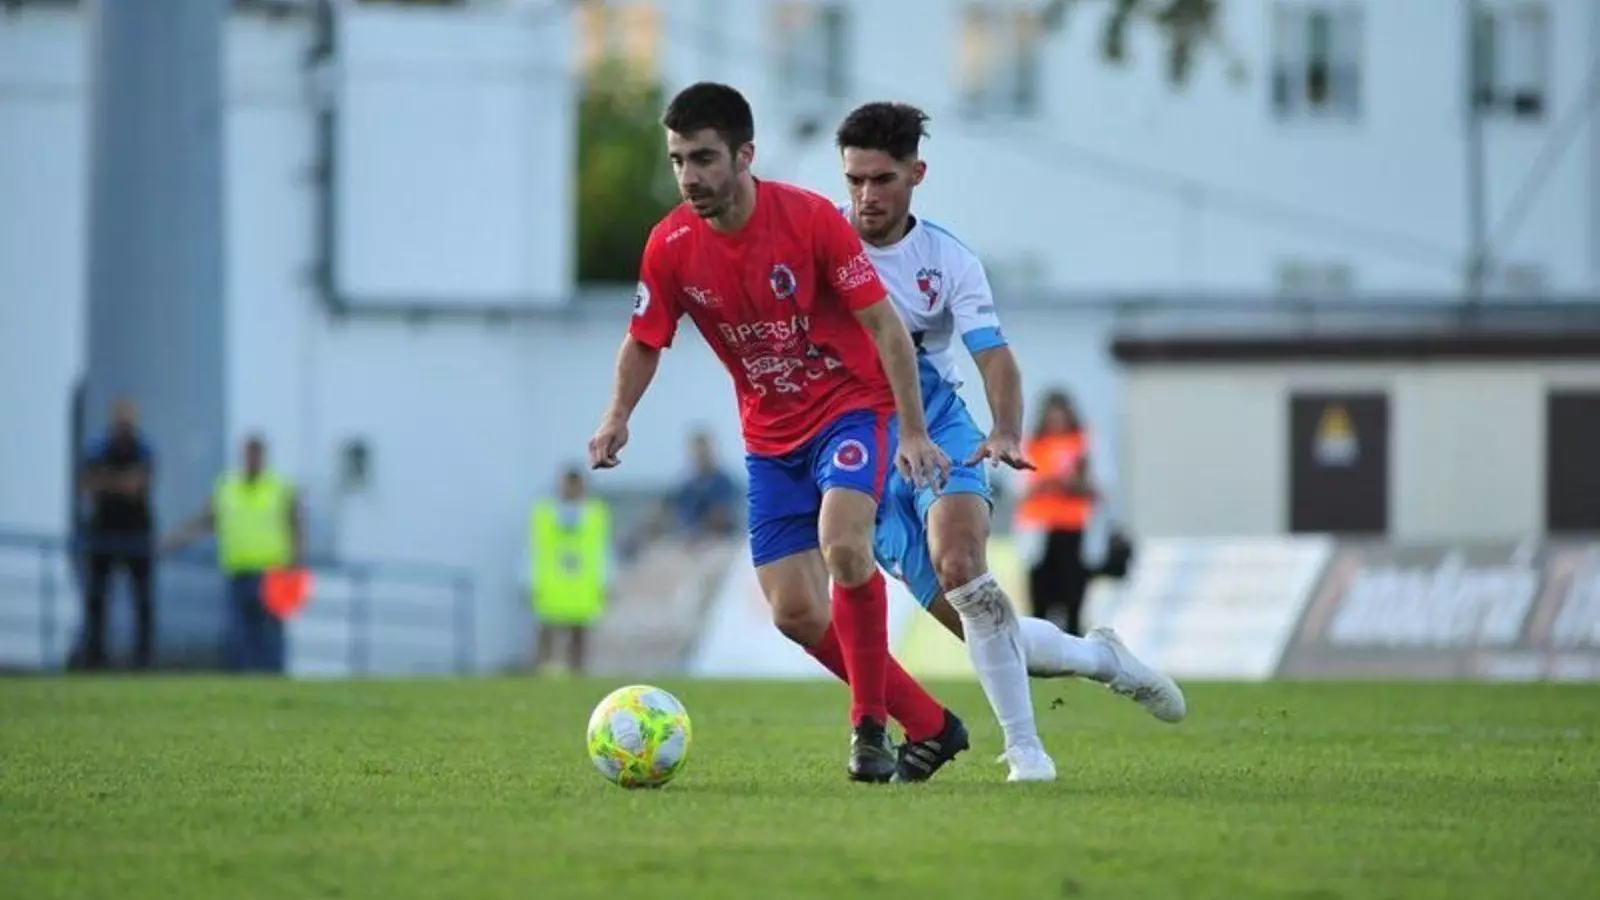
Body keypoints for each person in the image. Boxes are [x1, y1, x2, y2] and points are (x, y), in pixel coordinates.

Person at [587, 81, 960, 784]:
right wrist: (617, 416)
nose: (689, 176)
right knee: (792, 611)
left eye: (704, 158)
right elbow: (644, 339)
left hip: (851, 408)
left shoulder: (811, 220)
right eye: (678, 160)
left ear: (744, 155)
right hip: (769, 437)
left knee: (844, 544)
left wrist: (912, 430)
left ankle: (867, 728)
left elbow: (885, 327)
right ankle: (933, 725)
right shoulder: (670, 245)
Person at [835, 102, 1185, 780]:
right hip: (854, 444)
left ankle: (1025, 749)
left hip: (938, 425)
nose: (866, 196)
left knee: (964, 566)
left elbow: (994, 355)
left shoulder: (948, 260)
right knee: (989, 627)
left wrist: (1002, 428)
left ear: (916, 174)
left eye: (882, 179)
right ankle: (1100, 659)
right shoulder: (823, 242)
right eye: (854, 180)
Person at [163, 434, 303, 674]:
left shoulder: (280, 487)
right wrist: (172, 540)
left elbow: (296, 526)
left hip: (272, 574)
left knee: (270, 636)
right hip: (238, 573)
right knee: (239, 636)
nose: (252, 459)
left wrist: (297, 563)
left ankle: (273, 681)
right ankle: (244, 681)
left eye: (256, 454)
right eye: (249, 454)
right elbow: (204, 520)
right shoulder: (228, 488)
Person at [75, 397, 157, 670]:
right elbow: (87, 484)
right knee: (96, 597)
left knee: (142, 599)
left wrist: (106, 481)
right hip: (103, 531)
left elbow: (137, 485)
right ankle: (94, 656)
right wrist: (122, 482)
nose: (124, 424)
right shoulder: (98, 448)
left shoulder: (143, 449)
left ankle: (143, 660)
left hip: (136, 532)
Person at [1018, 390, 1096, 635]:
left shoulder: (1082, 444)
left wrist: (1069, 484)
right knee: (1040, 594)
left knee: (1072, 592)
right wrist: (1045, 484)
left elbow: (1096, 486)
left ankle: (1073, 640)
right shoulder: (1033, 445)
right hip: (1039, 528)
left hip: (1072, 526)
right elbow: (1021, 488)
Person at [526, 466, 612, 674]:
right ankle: (540, 672)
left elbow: (602, 550)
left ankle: (577, 674)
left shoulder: (596, 513)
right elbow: (533, 548)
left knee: (579, 635)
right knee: (546, 633)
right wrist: (529, 579)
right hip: (551, 584)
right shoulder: (545, 512)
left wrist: (605, 581)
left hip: (583, 586)